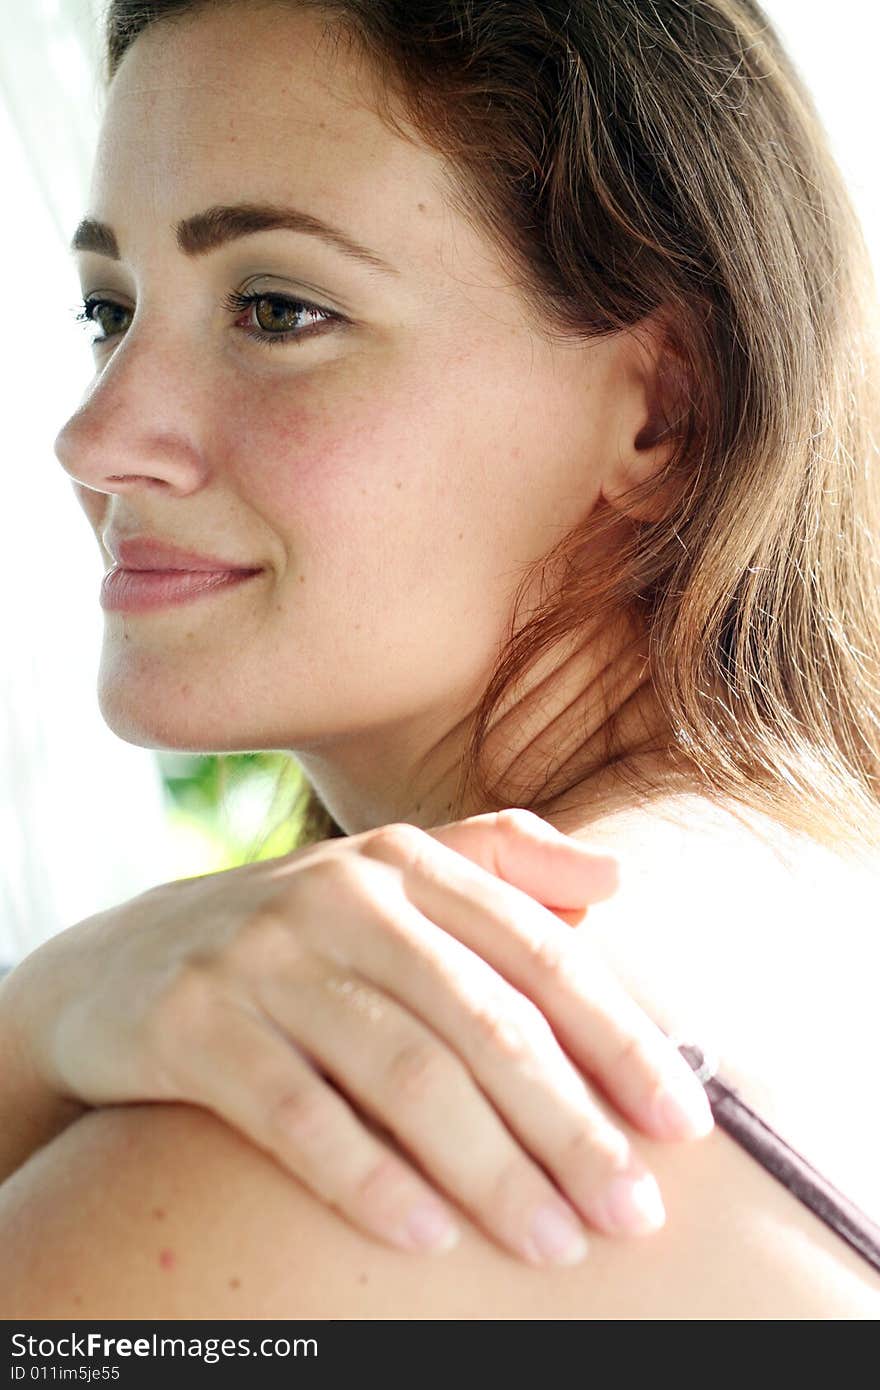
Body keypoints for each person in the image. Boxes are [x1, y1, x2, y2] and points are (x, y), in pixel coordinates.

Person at [0, 0, 879, 1318]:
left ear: (659, 405)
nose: (99, 435)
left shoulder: (345, 1135)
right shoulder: (802, 883)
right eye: (108, 310)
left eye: (276, 309)